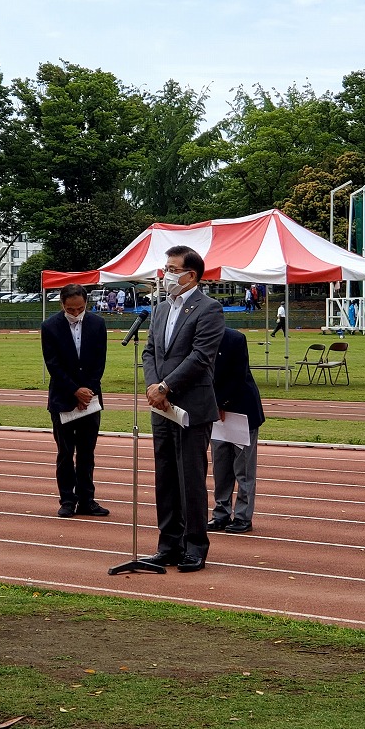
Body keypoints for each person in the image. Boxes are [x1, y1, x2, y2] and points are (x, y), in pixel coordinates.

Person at [141, 245, 225, 572]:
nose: (166, 274)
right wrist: (154, 388)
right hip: (161, 407)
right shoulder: (161, 309)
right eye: (165, 268)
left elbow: (201, 356)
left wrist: (166, 386)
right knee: (165, 477)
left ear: (191, 274)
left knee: (190, 478)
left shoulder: (209, 309)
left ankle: (195, 547)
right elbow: (150, 352)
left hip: (190, 405)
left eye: (172, 269)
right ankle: (168, 544)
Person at [41, 283, 109, 518]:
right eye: (71, 309)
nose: (76, 313)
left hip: (90, 398)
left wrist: (87, 391)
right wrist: (74, 391)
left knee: (87, 453)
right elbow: (53, 365)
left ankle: (87, 499)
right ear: (62, 305)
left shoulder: (98, 324)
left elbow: (99, 362)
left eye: (80, 308)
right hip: (63, 398)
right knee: (65, 453)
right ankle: (67, 500)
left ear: (86, 304)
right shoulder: (50, 326)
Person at [208, 328, 266, 535]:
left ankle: (242, 516)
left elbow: (238, 375)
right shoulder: (197, 338)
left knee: (243, 469)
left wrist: (221, 403)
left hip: (241, 411)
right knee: (220, 467)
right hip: (215, 413)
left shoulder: (235, 339)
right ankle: (221, 512)